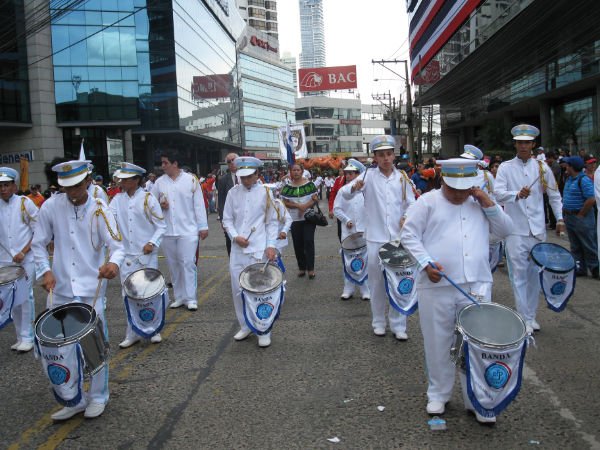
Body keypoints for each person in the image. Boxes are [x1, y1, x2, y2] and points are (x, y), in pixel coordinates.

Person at [401, 158, 513, 423]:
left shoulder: (479, 203)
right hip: (437, 285)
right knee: (437, 341)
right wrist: (425, 262)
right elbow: (408, 235)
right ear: (443, 180)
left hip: (475, 284)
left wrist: (488, 203)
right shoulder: (427, 202)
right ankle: (438, 393)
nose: (459, 194)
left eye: (465, 189)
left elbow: (506, 230)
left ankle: (478, 398)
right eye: (454, 189)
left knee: (476, 343)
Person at [32, 160, 125, 420]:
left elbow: (117, 246)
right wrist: (45, 270)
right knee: (60, 348)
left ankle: (98, 396)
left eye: (76, 186)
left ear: (87, 181)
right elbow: (38, 243)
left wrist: (113, 264)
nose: (72, 192)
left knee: (93, 345)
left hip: (89, 289)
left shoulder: (100, 209)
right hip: (60, 287)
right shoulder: (50, 206)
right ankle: (73, 397)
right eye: (67, 187)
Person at [341, 135, 416, 339]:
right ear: (375, 157)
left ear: (394, 155)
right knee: (376, 284)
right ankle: (378, 322)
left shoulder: (402, 177)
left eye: (389, 154)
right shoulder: (367, 176)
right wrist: (354, 187)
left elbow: (411, 203)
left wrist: (406, 217)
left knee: (399, 281)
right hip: (375, 238)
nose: (385, 158)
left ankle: (398, 325)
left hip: (397, 239)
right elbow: (345, 194)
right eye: (381, 155)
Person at [494, 124, 565, 334]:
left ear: (533, 144)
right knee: (518, 275)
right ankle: (522, 317)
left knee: (535, 275)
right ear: (515, 144)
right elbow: (498, 193)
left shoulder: (542, 168)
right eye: (520, 142)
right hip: (515, 230)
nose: (523, 146)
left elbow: (554, 195)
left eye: (527, 142)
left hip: (537, 231)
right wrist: (516, 194)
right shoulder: (506, 167)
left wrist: (560, 219)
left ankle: (531, 316)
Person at [222, 157, 279, 347]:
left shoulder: (266, 193)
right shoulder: (232, 193)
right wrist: (235, 236)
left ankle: (264, 328)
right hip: (238, 249)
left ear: (257, 174)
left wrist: (271, 245)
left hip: (258, 249)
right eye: (242, 177)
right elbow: (227, 219)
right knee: (238, 289)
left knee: (260, 290)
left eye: (249, 176)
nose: (245, 180)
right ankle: (245, 325)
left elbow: (271, 222)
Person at [109, 163, 167, 348]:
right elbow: (109, 221)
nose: (122, 183)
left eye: (126, 180)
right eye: (122, 179)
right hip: (126, 256)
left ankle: (154, 329)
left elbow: (161, 226)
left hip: (146, 255)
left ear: (136, 180)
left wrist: (152, 242)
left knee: (150, 293)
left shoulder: (148, 199)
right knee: (128, 295)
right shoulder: (117, 200)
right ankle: (132, 332)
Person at [152, 151, 209, 311]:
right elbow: (150, 204)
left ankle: (191, 298)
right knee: (173, 265)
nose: (162, 166)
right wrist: (159, 205)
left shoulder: (190, 180)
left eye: (165, 163)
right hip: (168, 231)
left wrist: (203, 226)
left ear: (175, 163)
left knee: (188, 263)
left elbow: (199, 204)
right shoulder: (159, 182)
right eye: (162, 163)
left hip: (188, 230)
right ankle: (179, 297)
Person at [0, 167, 38, 352]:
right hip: (5, 261)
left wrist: (24, 251)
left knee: (25, 297)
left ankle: (28, 336)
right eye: (0, 186)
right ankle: (19, 336)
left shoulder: (25, 203)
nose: (3, 189)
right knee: (11, 299)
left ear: (14, 186)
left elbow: (38, 231)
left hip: (25, 259)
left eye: (6, 185)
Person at [333, 160, 370, 300]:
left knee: (365, 260)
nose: (348, 176)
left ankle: (365, 289)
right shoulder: (343, 190)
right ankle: (348, 288)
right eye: (346, 173)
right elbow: (337, 209)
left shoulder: (366, 191)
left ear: (358, 174)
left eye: (351, 173)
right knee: (348, 260)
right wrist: (346, 220)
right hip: (349, 232)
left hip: (364, 230)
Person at [561, 156, 598, 278]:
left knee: (588, 243)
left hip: (581, 217)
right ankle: (579, 267)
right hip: (570, 216)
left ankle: (595, 268)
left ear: (572, 167)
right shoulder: (569, 179)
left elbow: (591, 199)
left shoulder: (583, 180)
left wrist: (581, 214)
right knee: (575, 245)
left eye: (568, 165)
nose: (566, 167)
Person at [280, 163, 319, 279]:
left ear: (302, 171)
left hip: (308, 218)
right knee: (298, 244)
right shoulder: (287, 187)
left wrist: (304, 207)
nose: (296, 172)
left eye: (298, 170)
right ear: (290, 172)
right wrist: (298, 206)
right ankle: (302, 267)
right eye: (294, 170)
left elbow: (315, 198)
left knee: (308, 241)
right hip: (294, 220)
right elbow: (285, 202)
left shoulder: (310, 185)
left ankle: (311, 269)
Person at [217, 153, 240, 256]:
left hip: (246, 216)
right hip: (230, 217)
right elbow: (221, 201)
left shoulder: (247, 176)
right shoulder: (223, 180)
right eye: (229, 161)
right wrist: (222, 219)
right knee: (230, 242)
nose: (231, 163)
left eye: (233, 160)